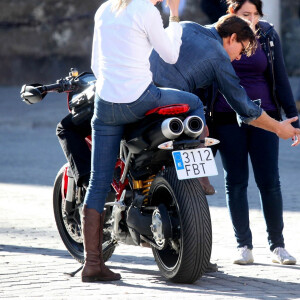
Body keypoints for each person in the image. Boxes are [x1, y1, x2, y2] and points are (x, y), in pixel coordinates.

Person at [81, 0, 206, 282]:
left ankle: (92, 264)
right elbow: (171, 55)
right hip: (142, 99)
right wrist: (174, 15)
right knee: (195, 102)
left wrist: (112, 88)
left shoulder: (105, 9)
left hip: (107, 104)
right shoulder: (147, 12)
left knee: (98, 183)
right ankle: (196, 166)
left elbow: (94, 64)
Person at [150, 15, 300, 194]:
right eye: (241, 51)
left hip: (141, 90)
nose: (238, 58)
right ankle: (200, 182)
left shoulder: (187, 25)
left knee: (198, 120)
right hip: (169, 100)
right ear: (233, 38)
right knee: (198, 115)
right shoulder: (219, 56)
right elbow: (243, 106)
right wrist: (278, 128)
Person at [206, 0, 299, 265]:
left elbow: (280, 76)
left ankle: (278, 246)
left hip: (266, 118)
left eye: (256, 14)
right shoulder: (217, 34)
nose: (252, 20)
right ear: (231, 14)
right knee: (235, 181)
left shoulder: (268, 34)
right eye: (245, 14)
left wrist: (293, 118)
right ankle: (243, 246)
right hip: (226, 118)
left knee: (269, 181)